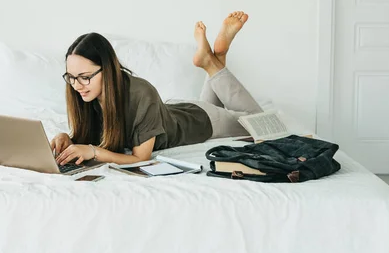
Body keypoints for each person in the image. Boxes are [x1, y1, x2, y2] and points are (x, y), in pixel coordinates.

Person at [51, 11, 263, 166]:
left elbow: (139, 158)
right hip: (175, 111)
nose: (77, 85)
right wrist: (66, 138)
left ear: (107, 70)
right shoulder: (83, 93)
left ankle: (211, 62)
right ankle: (217, 57)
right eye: (71, 77)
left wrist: (93, 152)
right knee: (212, 104)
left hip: (201, 121)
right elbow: (92, 135)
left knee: (259, 121)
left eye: (85, 77)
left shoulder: (141, 93)